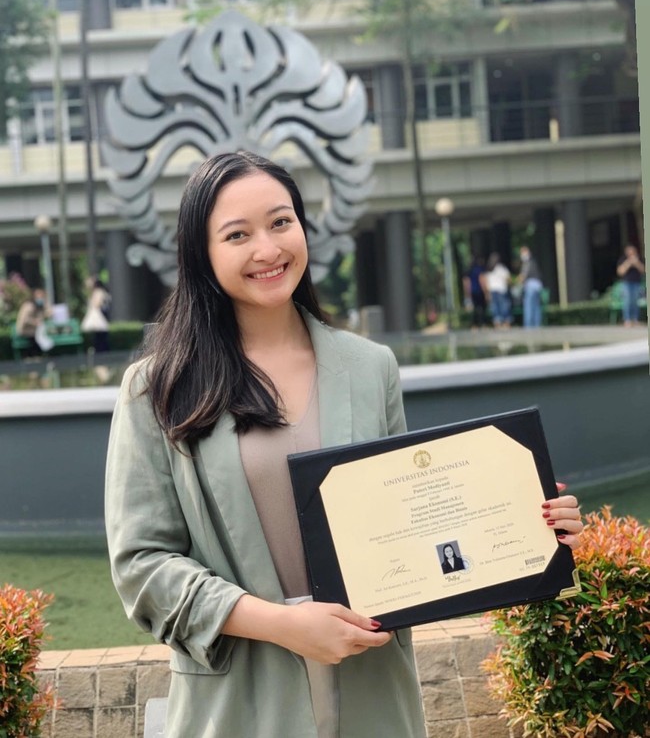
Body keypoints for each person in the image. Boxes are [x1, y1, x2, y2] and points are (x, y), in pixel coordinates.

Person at [104, 151, 584, 738]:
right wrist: (283, 624)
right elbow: (142, 565)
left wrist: (526, 520)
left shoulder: (368, 366)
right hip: (240, 702)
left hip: (372, 691)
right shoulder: (158, 389)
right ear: (202, 255)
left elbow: (412, 522)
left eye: (282, 222)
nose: (268, 248)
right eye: (237, 234)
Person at [15, 287, 50, 356]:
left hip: (33, 330)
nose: (41, 299)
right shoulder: (28, 306)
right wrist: (34, 322)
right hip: (25, 331)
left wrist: (46, 305)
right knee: (36, 339)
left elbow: (47, 313)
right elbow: (24, 320)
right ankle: (35, 356)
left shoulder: (38, 306)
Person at [616, 245, 645, 327]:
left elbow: (643, 270)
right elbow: (620, 272)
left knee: (635, 302)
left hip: (636, 283)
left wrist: (636, 263)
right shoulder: (623, 260)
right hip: (626, 283)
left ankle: (635, 320)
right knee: (627, 301)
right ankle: (627, 320)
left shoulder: (639, 259)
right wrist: (628, 263)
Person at [81, 277, 111, 352]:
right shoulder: (94, 292)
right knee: (98, 337)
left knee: (101, 336)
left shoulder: (99, 292)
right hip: (95, 315)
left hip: (97, 316)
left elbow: (97, 304)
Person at [518, 246, 544, 328]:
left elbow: (523, 276)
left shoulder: (527, 263)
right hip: (537, 286)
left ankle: (529, 327)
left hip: (530, 286)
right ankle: (537, 326)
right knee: (536, 307)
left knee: (529, 307)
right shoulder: (533, 262)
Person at [484, 252, 512, 329]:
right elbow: (508, 279)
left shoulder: (489, 270)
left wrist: (487, 293)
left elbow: (486, 281)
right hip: (501, 289)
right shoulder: (502, 268)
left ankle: (497, 323)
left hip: (492, 290)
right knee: (504, 306)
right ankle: (506, 322)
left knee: (495, 307)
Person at [462, 255, 489, 328]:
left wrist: (467, 293)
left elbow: (466, 282)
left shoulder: (468, 271)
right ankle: (483, 323)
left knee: (475, 308)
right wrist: (486, 292)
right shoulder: (479, 269)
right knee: (482, 308)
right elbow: (482, 280)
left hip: (472, 291)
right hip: (480, 291)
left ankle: (474, 324)